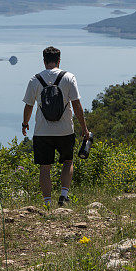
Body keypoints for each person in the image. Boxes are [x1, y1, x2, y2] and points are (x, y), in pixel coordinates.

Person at [22, 46, 89, 208]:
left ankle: (47, 204)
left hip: (42, 132)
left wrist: (25, 123)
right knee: (68, 161)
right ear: (59, 60)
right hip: (65, 130)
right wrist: (84, 129)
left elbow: (29, 106)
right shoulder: (69, 77)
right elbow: (77, 105)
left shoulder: (35, 80)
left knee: (44, 168)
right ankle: (64, 195)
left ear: (44, 61)